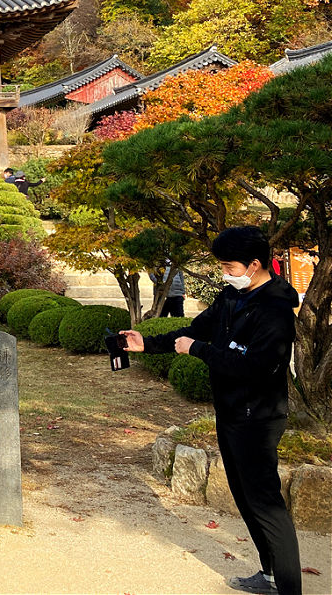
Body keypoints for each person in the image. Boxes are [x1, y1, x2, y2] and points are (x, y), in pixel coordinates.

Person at [120, 226, 301, 595]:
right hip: (231, 411)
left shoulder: (276, 308)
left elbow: (258, 366)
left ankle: (288, 587)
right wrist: (148, 344)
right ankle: (269, 576)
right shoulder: (230, 298)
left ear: (254, 264)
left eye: (228, 265)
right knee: (245, 497)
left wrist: (199, 351)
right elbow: (196, 329)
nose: (224, 273)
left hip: (259, 417)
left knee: (265, 503)